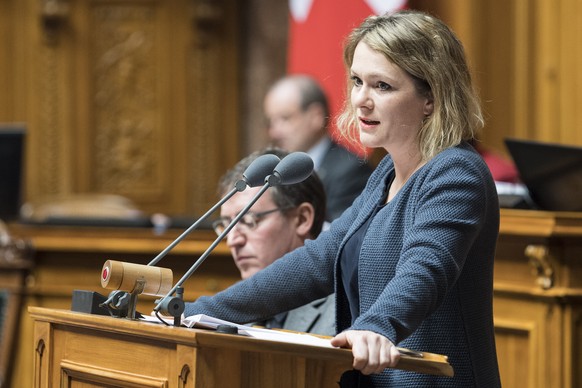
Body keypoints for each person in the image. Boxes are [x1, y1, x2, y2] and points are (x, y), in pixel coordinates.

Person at [185, 9, 501, 387]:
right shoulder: (384, 176)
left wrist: (376, 326)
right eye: (357, 81)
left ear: (430, 98)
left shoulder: (456, 172)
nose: (361, 100)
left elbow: (426, 268)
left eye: (382, 86)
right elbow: (316, 261)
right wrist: (195, 313)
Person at [212, 148, 335, 336]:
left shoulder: (342, 313)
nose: (232, 240)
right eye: (226, 225)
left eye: (247, 220)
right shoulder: (231, 308)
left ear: (302, 219)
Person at [264, 74, 373, 221]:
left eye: (285, 118)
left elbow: (342, 235)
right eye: (271, 122)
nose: (274, 132)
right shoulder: (274, 170)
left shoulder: (351, 171)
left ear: (316, 116)